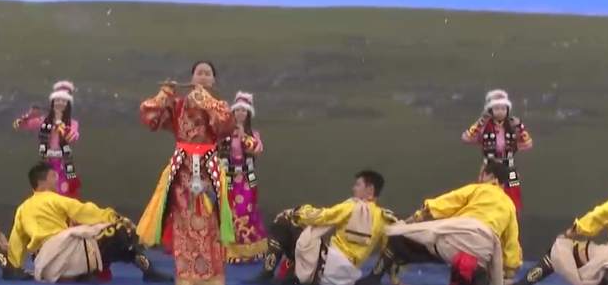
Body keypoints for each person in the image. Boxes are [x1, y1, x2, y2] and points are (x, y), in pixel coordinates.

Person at [135, 60, 237, 285]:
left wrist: (205, 101)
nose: (203, 77)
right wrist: (165, 93)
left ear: (213, 81)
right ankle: (186, 278)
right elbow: (150, 117)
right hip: (182, 169)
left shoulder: (219, 106)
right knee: (183, 221)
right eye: (199, 73)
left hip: (209, 170)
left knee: (211, 221)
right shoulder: (179, 105)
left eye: (207, 73)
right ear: (191, 78)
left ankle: (212, 279)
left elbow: (226, 127)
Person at [355, 160, 522, 285]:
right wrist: (509, 273)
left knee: (397, 236)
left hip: (454, 242)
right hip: (480, 255)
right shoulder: (509, 206)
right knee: (472, 270)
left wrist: (413, 219)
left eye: (482, 174)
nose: (480, 177)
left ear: (490, 177)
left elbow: (445, 203)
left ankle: (374, 278)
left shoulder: (479, 189)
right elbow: (511, 243)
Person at [4, 162, 173, 283]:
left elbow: (16, 241)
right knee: (121, 231)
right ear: (42, 182)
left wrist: (15, 267)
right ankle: (148, 270)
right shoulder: (54, 199)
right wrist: (118, 219)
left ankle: (84, 274)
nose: (57, 179)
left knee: (99, 239)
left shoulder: (22, 209)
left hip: (46, 267)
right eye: (53, 176)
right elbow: (87, 212)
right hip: (64, 255)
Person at [246, 170, 398, 285]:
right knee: (304, 248)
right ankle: (291, 277)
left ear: (369, 189)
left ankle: (268, 272)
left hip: (327, 267)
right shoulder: (384, 218)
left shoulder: (351, 207)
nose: (354, 188)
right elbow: (390, 249)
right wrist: (389, 278)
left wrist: (293, 212)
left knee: (284, 225)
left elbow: (320, 216)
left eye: (358, 185)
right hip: (346, 278)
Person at [462, 89, 533, 212]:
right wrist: (479, 123)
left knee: (512, 201)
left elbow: (527, 145)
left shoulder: (513, 127)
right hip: (490, 168)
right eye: (497, 108)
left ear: (507, 110)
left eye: (503, 108)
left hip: (508, 167)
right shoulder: (484, 127)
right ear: (491, 110)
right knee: (486, 199)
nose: (500, 111)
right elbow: (466, 138)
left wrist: (521, 128)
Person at [221, 91, 268, 264]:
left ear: (248, 114)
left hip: (247, 178)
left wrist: (243, 136)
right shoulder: (224, 134)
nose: (240, 113)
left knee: (247, 210)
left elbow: (256, 150)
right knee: (229, 212)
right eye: (237, 110)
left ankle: (251, 250)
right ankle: (232, 251)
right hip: (229, 178)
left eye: (244, 110)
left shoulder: (253, 134)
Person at [12, 87, 81, 199]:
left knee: (65, 190)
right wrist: (28, 116)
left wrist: (66, 130)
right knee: (45, 190)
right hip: (47, 162)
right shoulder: (42, 122)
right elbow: (21, 125)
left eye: (64, 101)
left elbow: (74, 135)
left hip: (63, 163)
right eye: (57, 101)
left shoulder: (72, 123)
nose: (60, 104)